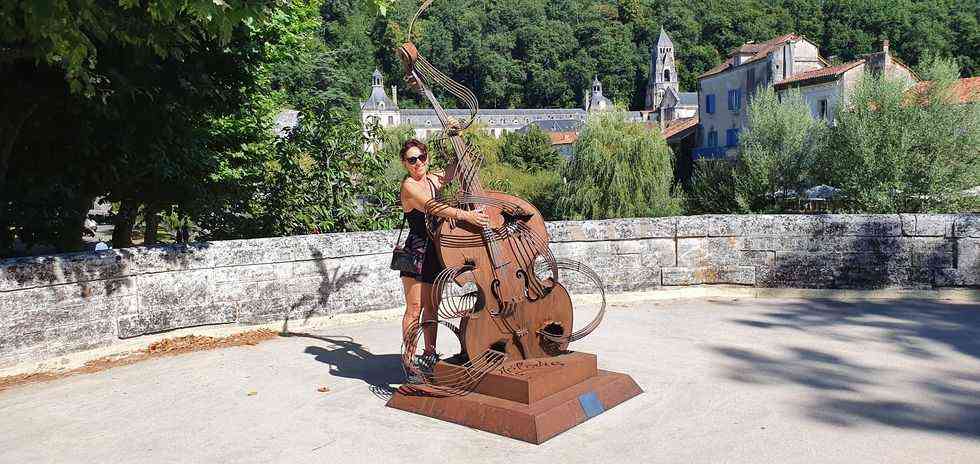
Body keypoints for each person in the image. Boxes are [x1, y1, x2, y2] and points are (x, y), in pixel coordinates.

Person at [398, 139, 488, 375]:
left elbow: (457, 167)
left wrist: (457, 137)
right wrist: (466, 216)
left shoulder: (432, 179)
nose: (418, 163)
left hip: (436, 250)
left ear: (427, 158)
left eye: (421, 157)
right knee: (414, 308)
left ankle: (429, 355)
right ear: (404, 163)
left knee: (432, 307)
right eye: (412, 159)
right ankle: (409, 361)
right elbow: (433, 207)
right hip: (417, 250)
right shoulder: (409, 186)